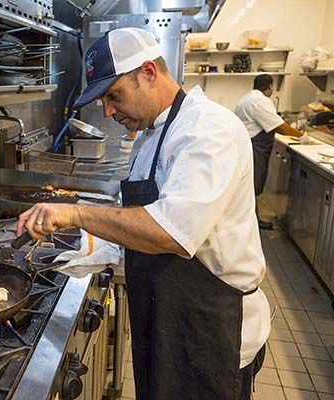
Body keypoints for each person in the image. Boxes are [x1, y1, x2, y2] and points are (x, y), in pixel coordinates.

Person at [17, 28, 270, 400]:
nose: (107, 110)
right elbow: (138, 216)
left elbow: (171, 232)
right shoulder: (152, 135)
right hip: (168, 323)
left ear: (148, 73)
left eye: (113, 95)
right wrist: (90, 254)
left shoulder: (206, 129)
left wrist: (76, 214)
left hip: (212, 331)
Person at [235, 74, 310, 230]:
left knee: (250, 185)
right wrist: (301, 136)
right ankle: (251, 223)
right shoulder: (260, 101)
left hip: (248, 145)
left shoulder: (247, 98)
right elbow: (279, 126)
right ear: (269, 87)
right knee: (254, 185)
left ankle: (252, 220)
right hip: (255, 148)